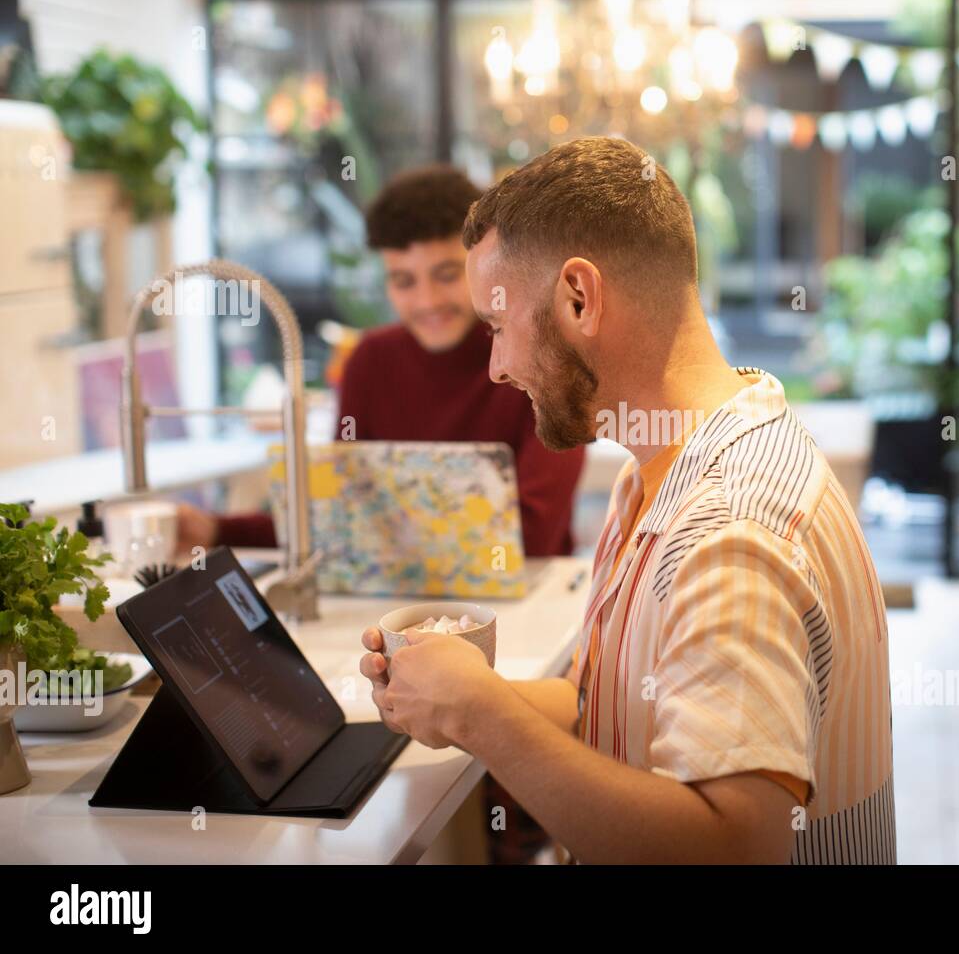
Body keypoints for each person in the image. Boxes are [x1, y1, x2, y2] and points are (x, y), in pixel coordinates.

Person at [360, 137, 896, 864]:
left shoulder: (727, 531)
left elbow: (734, 846)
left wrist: (482, 714)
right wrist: (456, 694)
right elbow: (602, 702)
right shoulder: (663, 469)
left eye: (497, 325)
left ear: (579, 297)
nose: (496, 367)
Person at [176, 164, 585, 559]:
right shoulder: (370, 361)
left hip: (530, 607)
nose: (427, 301)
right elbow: (340, 514)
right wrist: (216, 530)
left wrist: (377, 531)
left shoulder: (541, 356)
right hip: (398, 609)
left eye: (446, 274)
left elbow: (534, 535)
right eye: (404, 281)